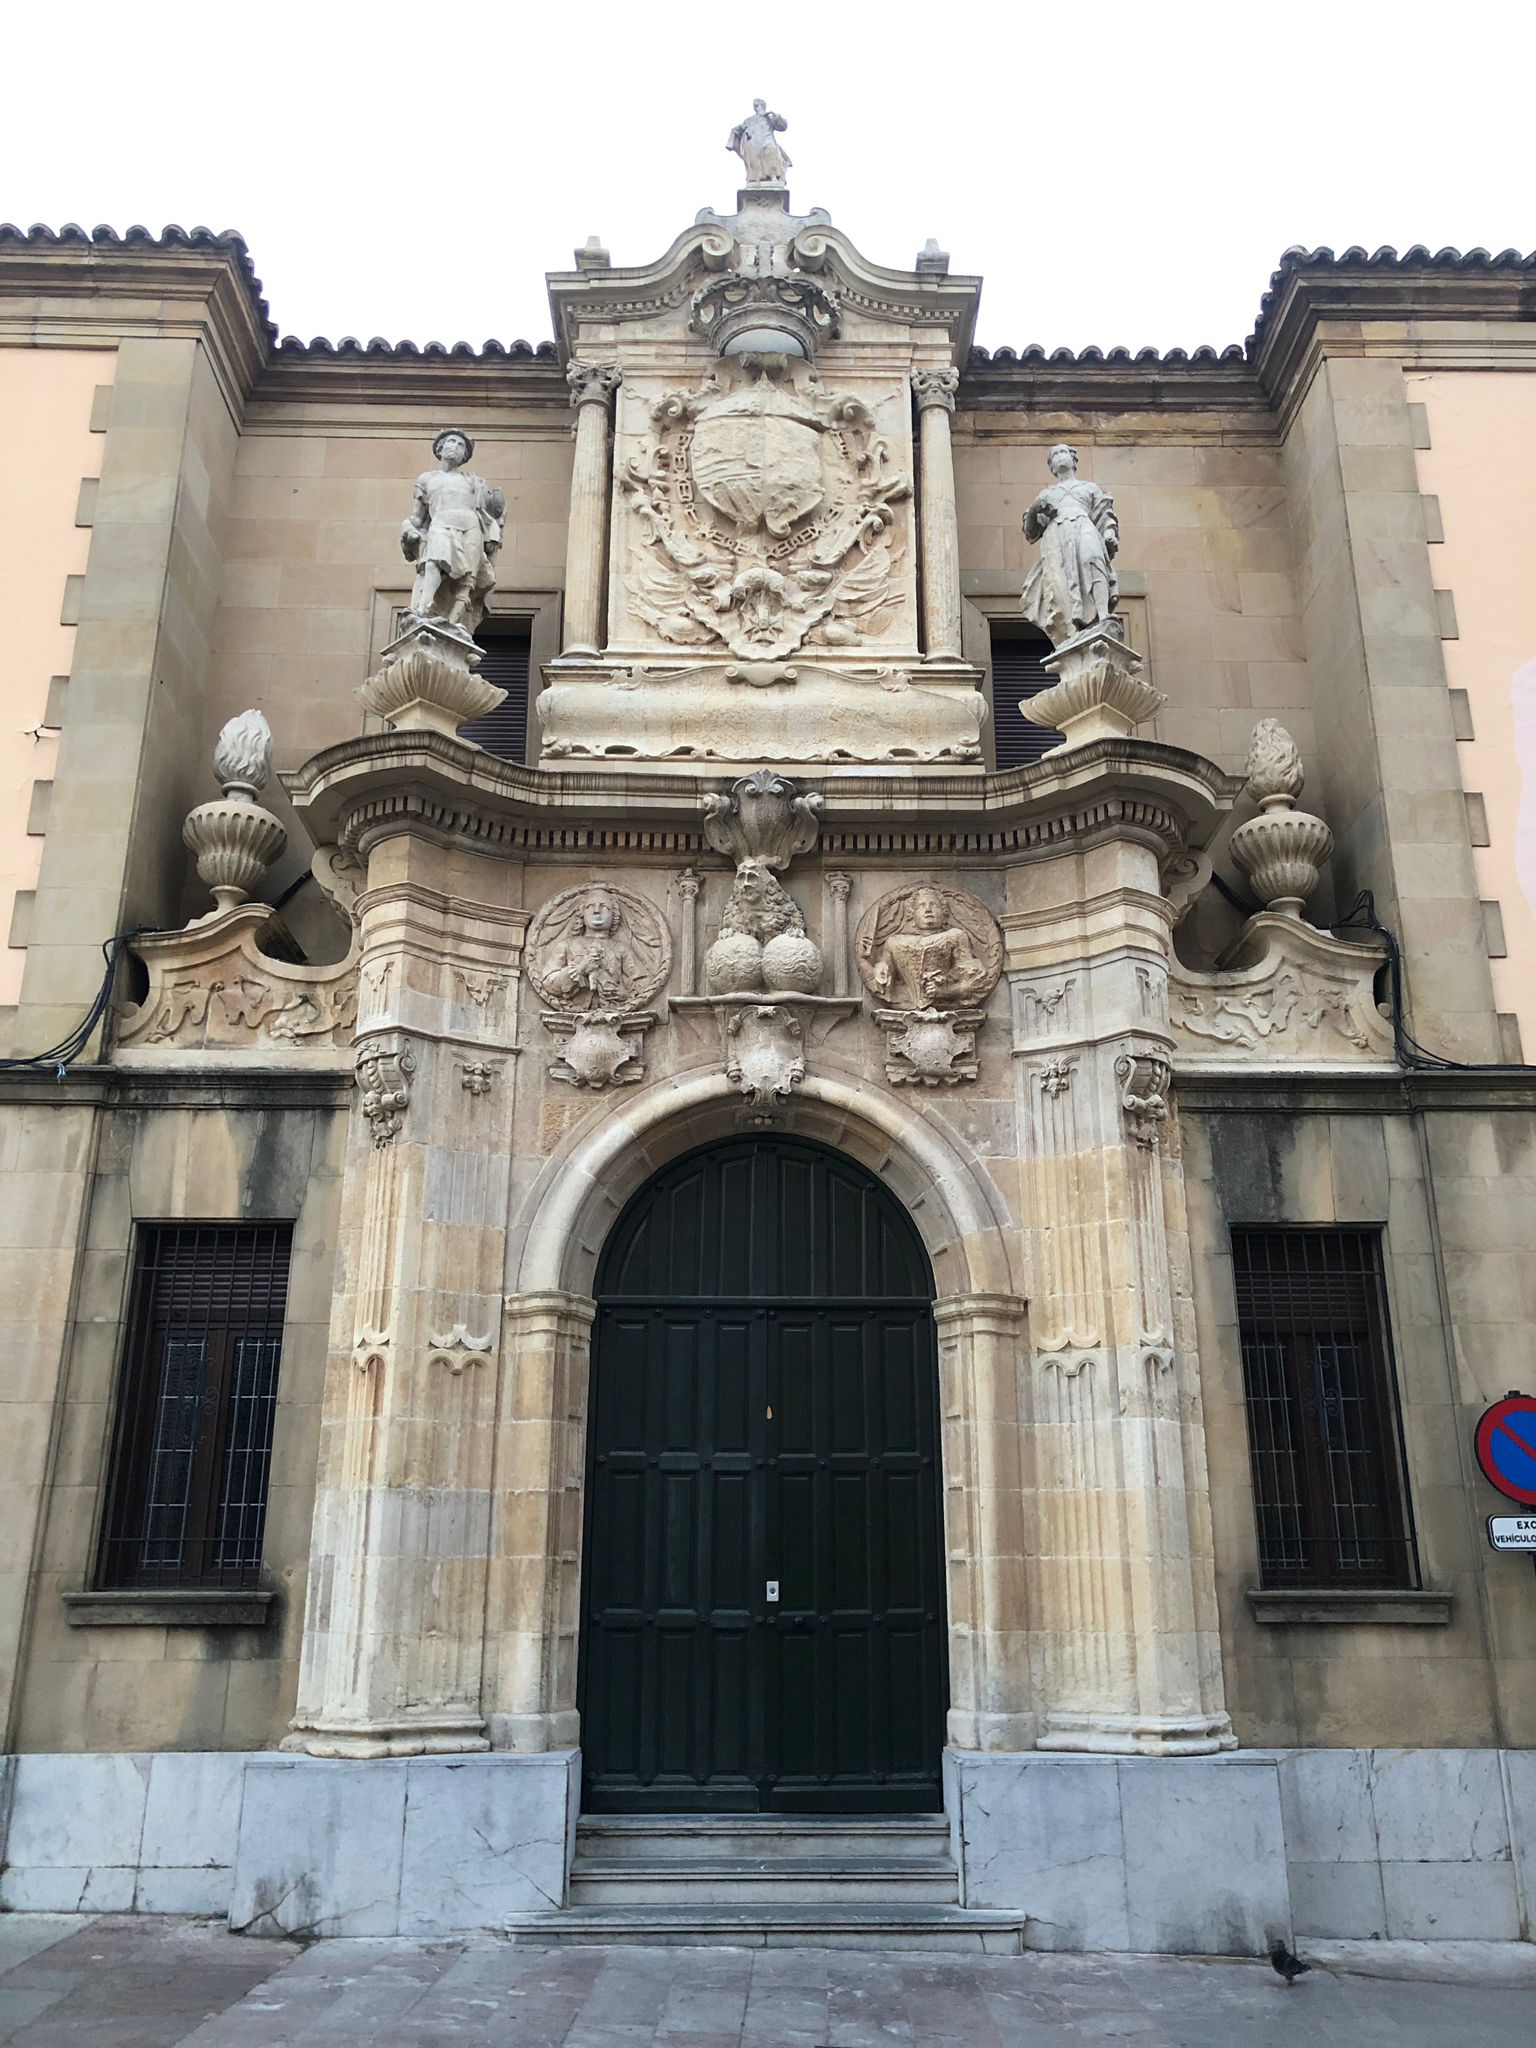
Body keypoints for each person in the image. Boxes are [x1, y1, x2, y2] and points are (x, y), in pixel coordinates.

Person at [400, 429, 506, 635]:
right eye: (451, 442)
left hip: (470, 526)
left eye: (460, 445)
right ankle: (422, 609)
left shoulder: (472, 481)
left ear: (464, 455)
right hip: (441, 522)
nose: (455, 447)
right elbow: (417, 518)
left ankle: (454, 623)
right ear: (440, 448)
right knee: (434, 561)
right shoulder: (426, 479)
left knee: (467, 580)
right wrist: (406, 529)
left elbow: (490, 511)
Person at [1020, 443, 1119, 646]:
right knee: (1059, 584)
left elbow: (1105, 514)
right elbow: (1030, 532)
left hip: (1083, 526)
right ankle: (1071, 632)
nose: (1059, 456)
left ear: (1073, 460)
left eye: (1063, 452)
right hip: (1055, 537)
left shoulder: (1088, 487)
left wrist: (1109, 533)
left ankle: (1103, 615)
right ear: (1051, 466)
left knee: (1094, 560)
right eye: (1054, 454)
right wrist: (1036, 508)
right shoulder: (1047, 494)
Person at [862, 887, 993, 1009]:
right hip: (905, 1002)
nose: (928, 910)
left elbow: (973, 982)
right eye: (921, 906)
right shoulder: (895, 942)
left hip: (946, 1008)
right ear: (911, 914)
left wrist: (945, 992)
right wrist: (866, 960)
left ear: (944, 912)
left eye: (934, 905)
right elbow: (882, 982)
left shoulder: (955, 936)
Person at [536, 892, 654, 1012]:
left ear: (614, 915)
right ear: (582, 913)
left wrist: (625, 993)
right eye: (590, 906)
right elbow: (548, 983)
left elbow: (643, 982)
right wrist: (580, 969)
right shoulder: (566, 945)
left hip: (616, 1014)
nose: (597, 911)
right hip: (572, 1014)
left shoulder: (621, 949)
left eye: (604, 907)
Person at [727, 100, 792, 184]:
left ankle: (774, 177)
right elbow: (740, 129)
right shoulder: (749, 120)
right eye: (755, 106)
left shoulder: (769, 117)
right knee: (755, 161)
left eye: (758, 105)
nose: (757, 108)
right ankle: (757, 179)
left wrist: (776, 116)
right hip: (754, 142)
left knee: (771, 151)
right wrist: (732, 138)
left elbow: (782, 127)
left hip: (767, 139)